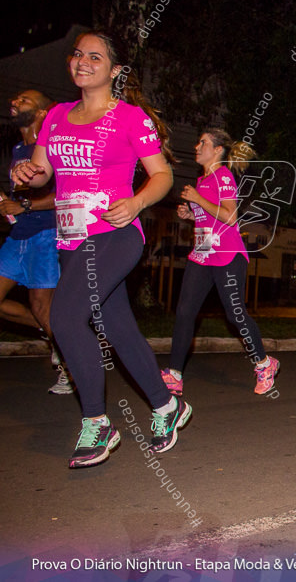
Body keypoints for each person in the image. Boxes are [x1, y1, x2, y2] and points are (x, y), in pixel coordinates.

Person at [13, 30, 190, 468]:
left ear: (113, 70)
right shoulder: (54, 116)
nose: (82, 61)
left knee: (65, 317)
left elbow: (163, 175)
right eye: (77, 54)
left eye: (95, 56)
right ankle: (168, 406)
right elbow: (43, 174)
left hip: (114, 235)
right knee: (119, 329)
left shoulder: (129, 117)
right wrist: (26, 171)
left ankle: (97, 421)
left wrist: (136, 202)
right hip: (71, 239)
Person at [163, 129, 279, 396]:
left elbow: (230, 217)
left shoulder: (223, 176)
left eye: (203, 142)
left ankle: (264, 363)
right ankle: (174, 374)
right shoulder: (202, 179)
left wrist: (197, 200)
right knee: (184, 311)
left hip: (227, 256)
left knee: (234, 315)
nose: (196, 146)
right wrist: (191, 215)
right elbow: (209, 217)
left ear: (217, 150)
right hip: (202, 254)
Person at [2, 90, 68, 393]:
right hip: (18, 236)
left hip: (46, 235)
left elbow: (64, 196)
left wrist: (26, 206)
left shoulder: (51, 149)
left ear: (42, 113)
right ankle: (53, 335)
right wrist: (8, 203)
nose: (15, 102)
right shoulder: (18, 148)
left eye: (24, 100)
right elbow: (22, 197)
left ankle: (71, 365)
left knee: (42, 306)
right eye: (14, 99)